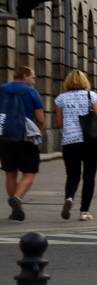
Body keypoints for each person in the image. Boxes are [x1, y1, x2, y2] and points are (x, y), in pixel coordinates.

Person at [54, 70, 97, 221]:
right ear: (85, 82)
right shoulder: (91, 96)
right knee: (89, 176)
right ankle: (84, 211)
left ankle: (69, 197)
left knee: (72, 175)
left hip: (70, 141)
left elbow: (59, 123)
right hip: (89, 141)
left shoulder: (60, 99)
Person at [1, 66, 46, 222]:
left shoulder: (2, 89)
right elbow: (40, 118)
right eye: (33, 77)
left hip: (5, 137)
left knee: (10, 173)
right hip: (26, 138)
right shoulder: (31, 92)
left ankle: (15, 210)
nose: (34, 80)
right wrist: (39, 133)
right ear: (25, 76)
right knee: (29, 173)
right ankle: (17, 199)